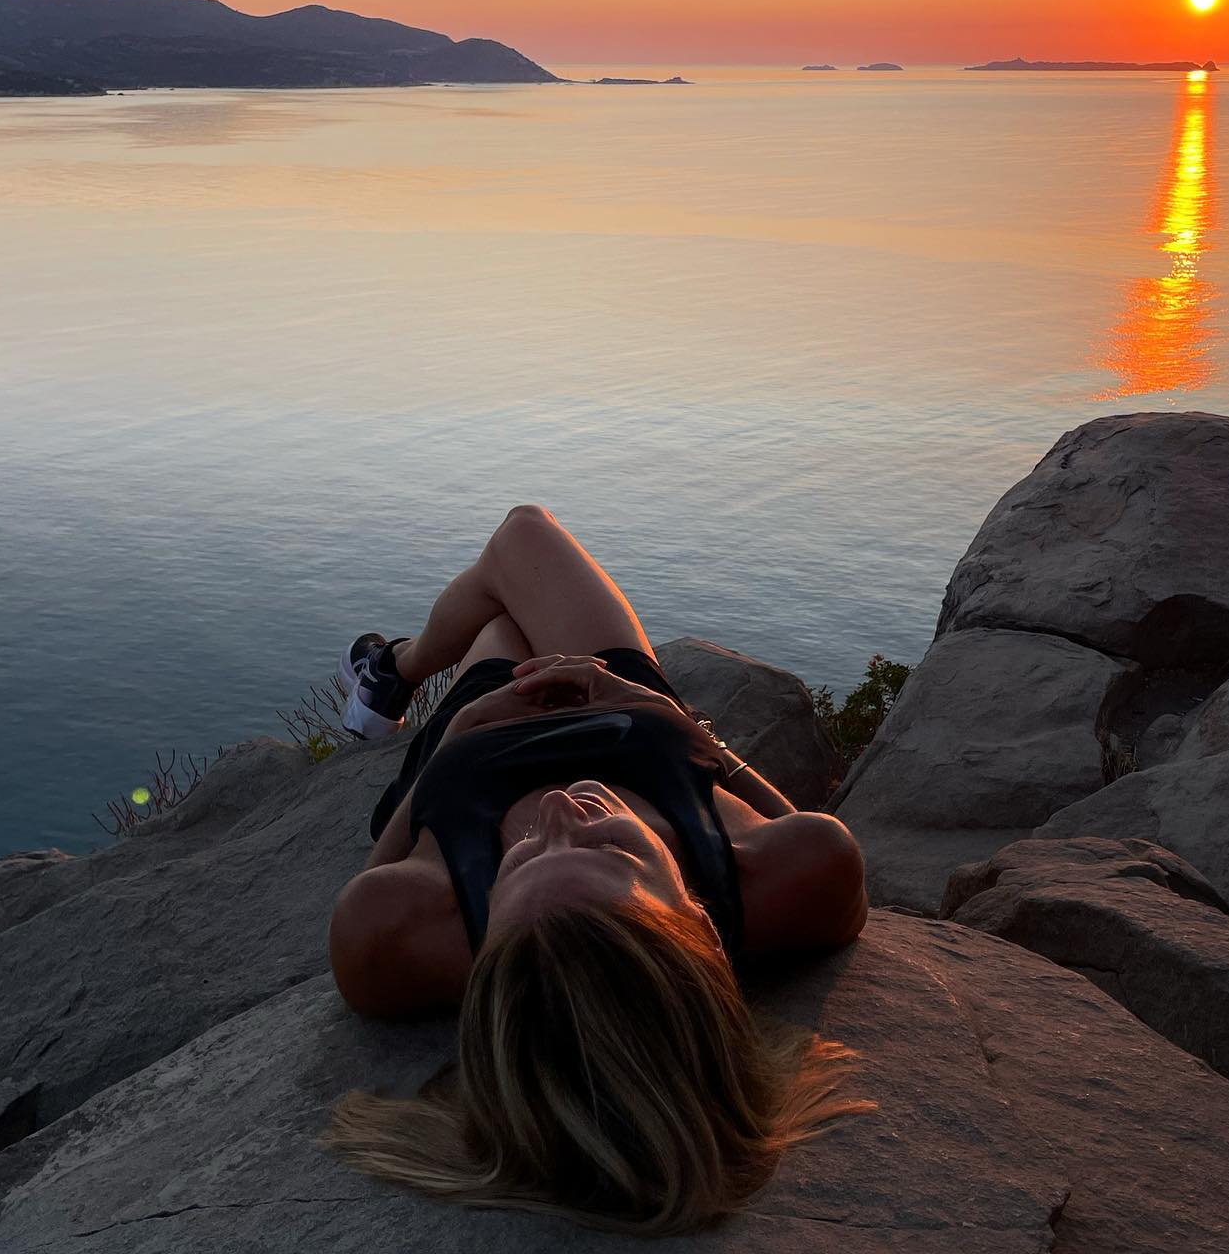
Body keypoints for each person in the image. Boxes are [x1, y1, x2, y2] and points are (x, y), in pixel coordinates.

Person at [320, 505, 874, 1235]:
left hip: (484, 737)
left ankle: (394, 671)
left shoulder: (403, 932)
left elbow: (374, 878)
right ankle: (393, 669)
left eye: (520, 863)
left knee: (503, 610)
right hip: (620, 703)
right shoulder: (797, 874)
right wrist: (673, 721)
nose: (558, 813)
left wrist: (452, 742)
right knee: (522, 539)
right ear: (701, 922)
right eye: (612, 848)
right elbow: (794, 821)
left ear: (486, 958)